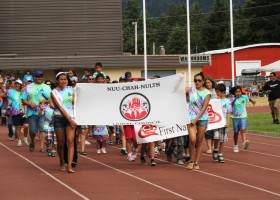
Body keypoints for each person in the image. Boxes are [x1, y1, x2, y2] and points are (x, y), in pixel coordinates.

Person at [51, 72, 76, 173]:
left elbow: (75, 102)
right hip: (59, 118)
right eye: (61, 79)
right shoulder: (54, 92)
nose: (63, 81)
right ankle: (62, 160)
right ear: (57, 80)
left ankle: (69, 165)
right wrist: (70, 119)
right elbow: (60, 108)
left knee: (70, 141)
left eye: (65, 79)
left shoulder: (71, 89)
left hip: (71, 118)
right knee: (61, 143)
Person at [186, 72, 211, 170]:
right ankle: (191, 160)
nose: (197, 82)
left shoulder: (207, 93)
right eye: (195, 80)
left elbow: (204, 108)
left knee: (199, 141)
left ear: (203, 81)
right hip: (191, 117)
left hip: (202, 118)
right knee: (192, 140)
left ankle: (196, 162)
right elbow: (177, 89)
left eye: (199, 80)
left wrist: (197, 119)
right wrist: (180, 78)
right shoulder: (191, 90)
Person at [22, 70, 51, 152]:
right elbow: (23, 99)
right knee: (32, 130)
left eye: (41, 76)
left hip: (44, 112)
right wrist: (30, 103)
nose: (39, 78)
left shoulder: (47, 87)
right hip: (32, 112)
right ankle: (32, 141)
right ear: (34, 77)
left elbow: (51, 99)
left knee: (42, 129)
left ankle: (42, 147)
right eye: (38, 76)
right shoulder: (28, 87)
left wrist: (44, 101)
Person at [0, 79, 29, 147]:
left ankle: (25, 137)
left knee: (26, 126)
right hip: (15, 112)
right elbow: (4, 90)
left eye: (18, 84)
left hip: (24, 112)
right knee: (18, 127)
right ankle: (19, 140)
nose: (17, 85)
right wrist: (1, 84)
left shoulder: (24, 93)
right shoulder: (11, 92)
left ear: (21, 85)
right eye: (16, 84)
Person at [230, 86, 256, 153]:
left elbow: (248, 98)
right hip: (235, 117)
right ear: (234, 93)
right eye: (236, 92)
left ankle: (244, 142)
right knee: (236, 133)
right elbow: (230, 105)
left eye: (239, 91)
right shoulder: (232, 98)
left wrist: (252, 101)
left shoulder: (244, 97)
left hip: (243, 116)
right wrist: (235, 99)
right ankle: (235, 145)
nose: (238, 93)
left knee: (243, 129)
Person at [212, 83, 232, 163]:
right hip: (217, 122)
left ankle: (220, 154)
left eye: (218, 92)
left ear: (222, 92)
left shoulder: (227, 101)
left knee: (222, 139)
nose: (216, 94)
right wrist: (215, 100)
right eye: (216, 92)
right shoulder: (215, 100)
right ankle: (215, 149)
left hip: (224, 122)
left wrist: (228, 122)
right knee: (216, 137)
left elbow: (228, 112)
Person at [92, 73, 109, 154]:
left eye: (101, 79)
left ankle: (103, 147)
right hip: (95, 112)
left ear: (104, 80)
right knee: (97, 134)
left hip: (104, 112)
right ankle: (98, 147)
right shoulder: (92, 88)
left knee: (105, 135)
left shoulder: (107, 87)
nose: (100, 80)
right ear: (96, 80)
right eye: (98, 79)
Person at [204, 76, 217, 154]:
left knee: (214, 130)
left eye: (209, 82)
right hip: (206, 113)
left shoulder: (216, 90)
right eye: (206, 83)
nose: (208, 84)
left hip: (215, 113)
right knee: (208, 130)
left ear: (212, 82)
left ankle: (212, 146)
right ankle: (209, 147)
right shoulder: (204, 91)